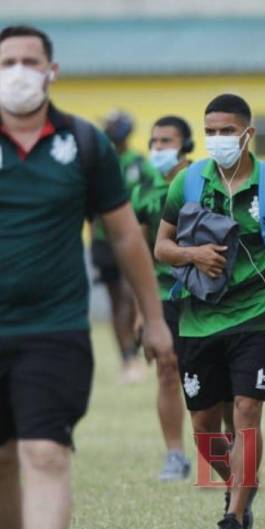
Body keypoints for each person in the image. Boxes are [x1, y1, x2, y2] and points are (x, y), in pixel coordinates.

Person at [0, 25, 175, 529]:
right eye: (7, 62)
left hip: (55, 327)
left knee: (46, 452)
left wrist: (154, 319)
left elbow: (125, 235)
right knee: (2, 460)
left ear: (52, 71)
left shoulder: (85, 142)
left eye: (31, 61)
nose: (19, 72)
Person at [155, 93, 265, 529]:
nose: (217, 139)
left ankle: (234, 516)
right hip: (199, 318)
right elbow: (161, 246)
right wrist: (193, 253)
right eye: (210, 131)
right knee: (205, 427)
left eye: (226, 131)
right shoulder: (187, 182)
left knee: (248, 410)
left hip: (259, 315)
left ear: (247, 134)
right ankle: (239, 479)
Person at [131, 115, 196, 481]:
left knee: (211, 377)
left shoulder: (202, 185)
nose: (159, 149)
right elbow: (137, 252)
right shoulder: (144, 193)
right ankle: (175, 454)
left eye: (167, 141)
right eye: (154, 141)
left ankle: (224, 448)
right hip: (161, 295)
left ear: (186, 145)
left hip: (204, 296)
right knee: (167, 371)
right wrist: (142, 309)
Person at [91, 110, 155, 384]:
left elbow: (154, 194)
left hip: (133, 239)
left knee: (132, 295)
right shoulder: (97, 162)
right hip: (103, 241)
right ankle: (127, 357)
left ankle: (138, 350)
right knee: (117, 299)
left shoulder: (139, 164)